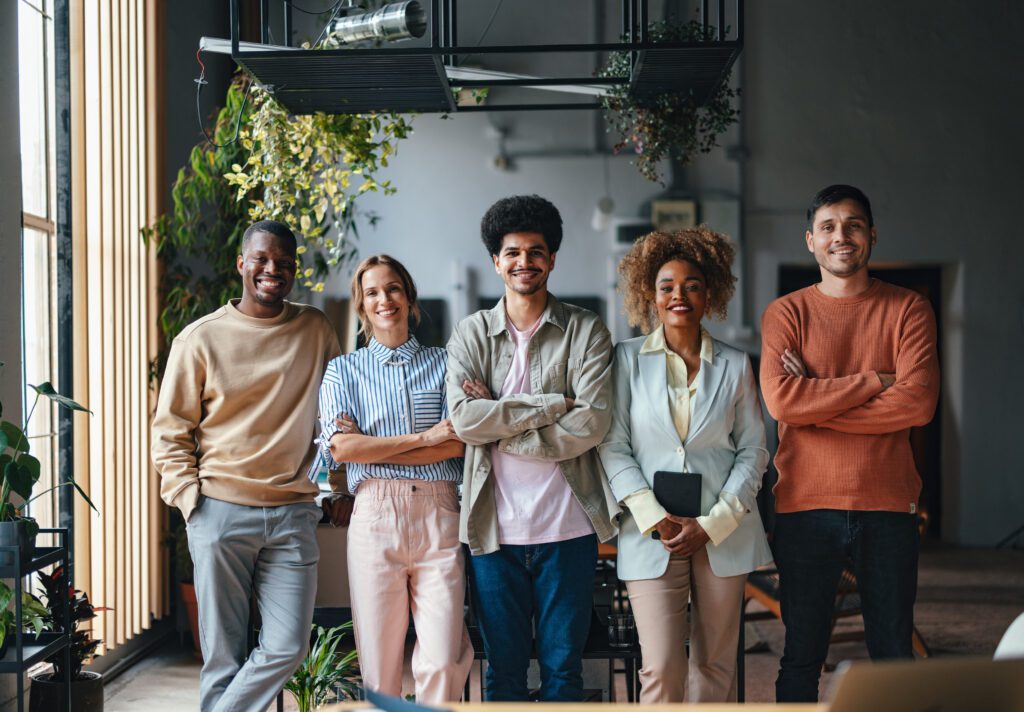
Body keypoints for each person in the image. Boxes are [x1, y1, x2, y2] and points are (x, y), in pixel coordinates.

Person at [760, 184, 940, 702]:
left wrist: (818, 402)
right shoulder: (786, 315)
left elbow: (918, 406)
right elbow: (783, 405)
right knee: (801, 656)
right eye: (829, 227)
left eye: (854, 225)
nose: (842, 236)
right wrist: (874, 381)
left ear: (872, 235)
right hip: (805, 506)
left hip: (887, 504)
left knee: (893, 655)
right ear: (811, 241)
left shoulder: (909, 310)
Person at [152, 220, 340, 712]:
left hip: (292, 514)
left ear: (294, 269)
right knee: (223, 657)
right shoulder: (201, 339)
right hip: (219, 511)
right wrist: (190, 502)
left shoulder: (316, 330)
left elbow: (339, 415)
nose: (271, 269)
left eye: (283, 261)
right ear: (242, 264)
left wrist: (334, 487)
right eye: (261, 259)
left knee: (286, 646)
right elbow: (170, 431)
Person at [445, 194, 618, 702]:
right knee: (504, 673)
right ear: (495, 260)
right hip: (494, 532)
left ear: (552, 258)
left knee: (565, 672)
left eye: (536, 251)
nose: (525, 262)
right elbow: (463, 419)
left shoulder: (585, 330)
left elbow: (591, 422)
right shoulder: (472, 333)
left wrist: (499, 417)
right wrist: (549, 405)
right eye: (513, 252)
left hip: (568, 529)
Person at [598, 228, 772, 702]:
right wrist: (656, 519)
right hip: (651, 532)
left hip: (724, 531)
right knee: (660, 668)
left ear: (709, 293)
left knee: (716, 666)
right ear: (648, 295)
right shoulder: (626, 360)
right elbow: (613, 446)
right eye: (667, 285)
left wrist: (713, 522)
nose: (679, 295)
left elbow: (754, 449)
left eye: (692, 284)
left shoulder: (736, 365)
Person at [317, 254, 473, 703]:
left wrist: (375, 443)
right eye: (372, 293)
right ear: (361, 307)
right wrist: (425, 438)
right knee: (379, 667)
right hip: (374, 514)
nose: (384, 299)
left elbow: (458, 443)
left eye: (393, 288)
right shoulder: (342, 370)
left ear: (409, 297)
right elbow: (342, 449)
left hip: (439, 512)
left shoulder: (447, 363)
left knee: (444, 658)